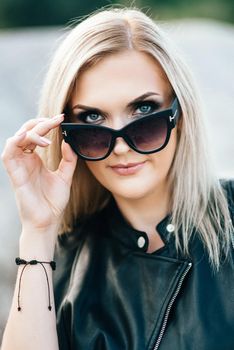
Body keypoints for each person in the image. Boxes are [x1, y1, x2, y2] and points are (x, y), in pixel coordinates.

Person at [1, 6, 234, 350]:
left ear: (180, 115)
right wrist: (37, 229)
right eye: (93, 119)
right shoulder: (64, 260)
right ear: (66, 135)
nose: (122, 146)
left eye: (143, 111)